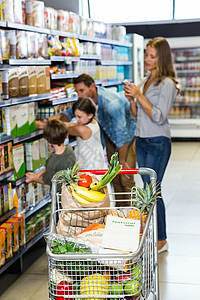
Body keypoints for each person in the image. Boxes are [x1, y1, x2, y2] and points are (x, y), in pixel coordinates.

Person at [123, 37, 180, 253]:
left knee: (152, 190)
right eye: (146, 54)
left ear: (161, 58)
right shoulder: (145, 80)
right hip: (143, 140)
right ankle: (154, 235)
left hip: (158, 141)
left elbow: (158, 116)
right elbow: (137, 115)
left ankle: (161, 240)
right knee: (148, 189)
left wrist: (139, 95)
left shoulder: (166, 84)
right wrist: (132, 99)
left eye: (152, 56)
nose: (147, 59)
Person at [59, 73, 136, 206]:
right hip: (110, 137)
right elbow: (68, 114)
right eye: (77, 91)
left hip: (128, 138)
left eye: (82, 90)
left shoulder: (111, 103)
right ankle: (118, 214)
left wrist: (122, 160)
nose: (79, 95)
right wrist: (60, 124)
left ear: (92, 87)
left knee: (125, 177)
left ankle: (133, 215)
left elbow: (122, 135)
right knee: (114, 178)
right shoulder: (86, 101)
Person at [25, 119, 76, 188]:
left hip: (59, 194)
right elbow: (50, 168)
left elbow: (46, 181)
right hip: (71, 188)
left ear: (47, 139)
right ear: (66, 135)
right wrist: (37, 174)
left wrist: (34, 178)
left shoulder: (53, 160)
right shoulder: (69, 149)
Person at [66, 97, 106, 170]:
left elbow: (63, 129)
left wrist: (44, 124)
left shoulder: (84, 130)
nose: (77, 119)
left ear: (90, 115)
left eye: (79, 117)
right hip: (96, 163)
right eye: (75, 116)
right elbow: (71, 124)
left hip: (90, 167)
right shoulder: (93, 122)